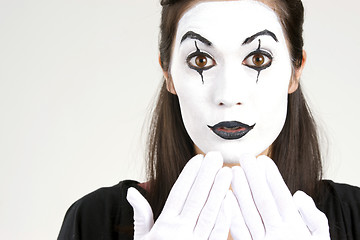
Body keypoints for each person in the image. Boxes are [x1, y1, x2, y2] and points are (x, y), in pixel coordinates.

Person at [58, 0, 360, 239]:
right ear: (168, 73)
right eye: (201, 60)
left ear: (296, 70)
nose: (228, 95)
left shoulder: (356, 216)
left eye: (258, 59)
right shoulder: (94, 220)